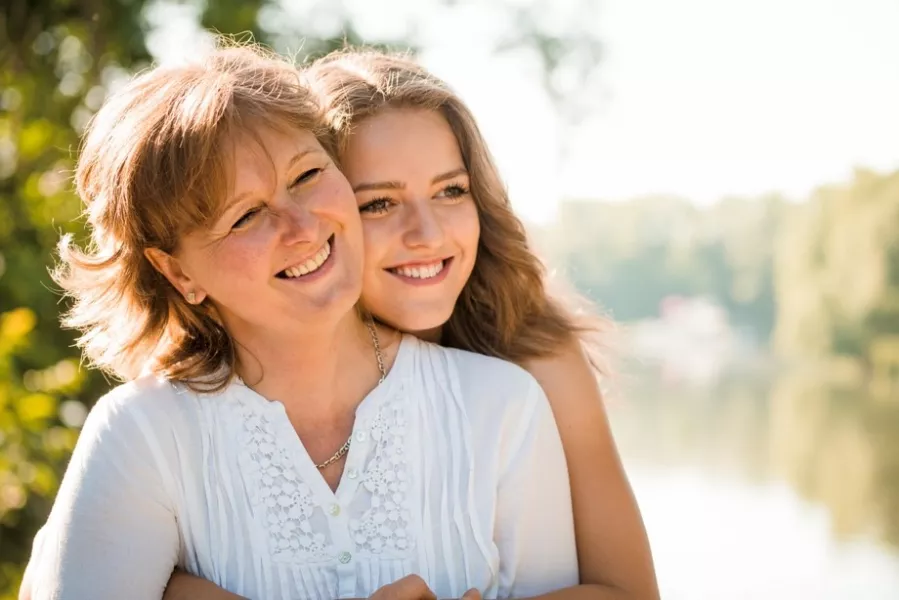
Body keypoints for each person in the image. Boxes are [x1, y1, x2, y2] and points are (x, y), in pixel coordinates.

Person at [19, 42, 579, 600]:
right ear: (176, 271)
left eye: (307, 175)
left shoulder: (501, 405)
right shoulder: (144, 433)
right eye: (246, 216)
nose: (302, 227)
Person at [163, 49, 659, 600]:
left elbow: (630, 591)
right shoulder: (211, 389)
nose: (427, 233)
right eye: (378, 204)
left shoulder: (536, 356)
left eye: (451, 191)